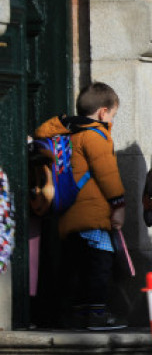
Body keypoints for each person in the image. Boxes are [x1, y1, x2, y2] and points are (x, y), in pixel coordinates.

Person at [34, 82, 127, 330]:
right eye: (113, 115)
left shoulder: (67, 132)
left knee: (76, 265)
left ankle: (76, 313)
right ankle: (96, 313)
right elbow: (107, 173)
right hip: (92, 214)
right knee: (100, 263)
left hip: (69, 213)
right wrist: (118, 204)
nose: (111, 120)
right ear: (103, 112)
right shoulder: (96, 135)